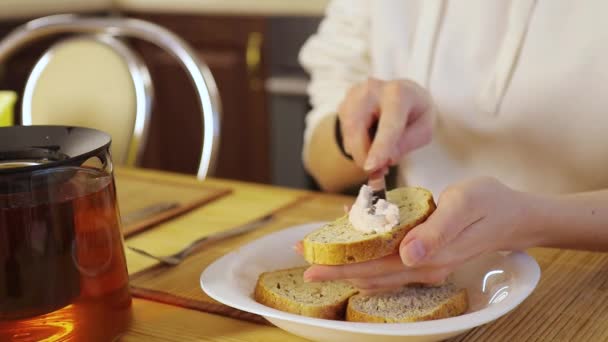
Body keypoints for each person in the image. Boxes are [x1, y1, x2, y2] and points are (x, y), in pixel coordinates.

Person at [296, 0, 608, 294]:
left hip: (584, 282)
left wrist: (530, 219)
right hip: (414, 276)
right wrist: (362, 130)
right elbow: (321, 162)